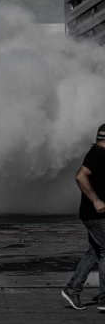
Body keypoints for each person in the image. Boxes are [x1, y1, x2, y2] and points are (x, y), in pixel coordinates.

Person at [61, 124, 105, 311]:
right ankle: (103, 299)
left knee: (94, 252)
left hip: (94, 215)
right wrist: (96, 200)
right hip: (96, 214)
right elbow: (80, 176)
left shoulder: (100, 154)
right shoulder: (96, 153)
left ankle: (72, 290)